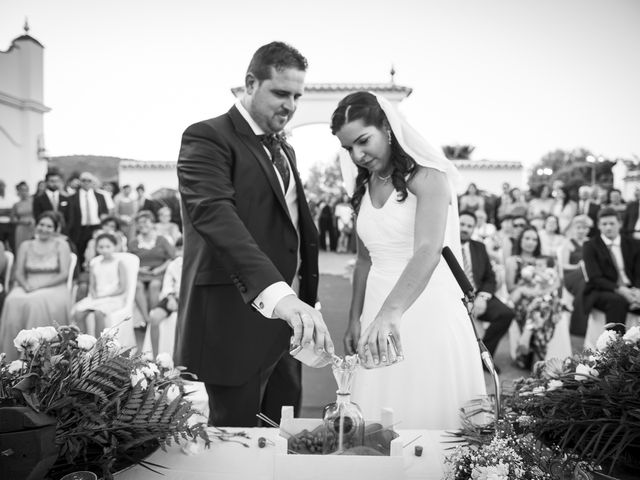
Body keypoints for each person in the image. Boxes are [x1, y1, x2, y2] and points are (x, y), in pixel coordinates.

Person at [176, 41, 332, 427]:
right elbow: (215, 216)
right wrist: (281, 297)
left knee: (282, 434)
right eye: (281, 93)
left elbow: (292, 227)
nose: (291, 105)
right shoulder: (207, 137)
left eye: (297, 95)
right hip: (233, 322)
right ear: (250, 83)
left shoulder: (286, 150)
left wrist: (303, 299)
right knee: (238, 443)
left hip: (287, 324)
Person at [332, 91, 485, 429]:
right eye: (348, 149)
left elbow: (428, 250)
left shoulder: (429, 178)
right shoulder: (363, 187)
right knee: (378, 408)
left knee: (426, 403)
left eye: (363, 141)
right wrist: (355, 317)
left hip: (424, 305)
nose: (357, 155)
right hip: (376, 306)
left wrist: (391, 313)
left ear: (387, 128)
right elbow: (363, 261)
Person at [0, 212, 71, 361]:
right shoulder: (26, 245)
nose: (44, 229)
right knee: (12, 300)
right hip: (28, 283)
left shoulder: (62, 245)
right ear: (36, 225)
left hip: (54, 286)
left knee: (35, 302)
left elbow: (64, 274)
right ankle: (10, 356)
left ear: (56, 229)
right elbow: (18, 272)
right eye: (42, 225)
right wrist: (25, 285)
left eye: (49, 226)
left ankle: (33, 357)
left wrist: (39, 286)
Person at [459, 211, 514, 373]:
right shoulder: (445, 245)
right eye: (462, 224)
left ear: (474, 228)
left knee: (506, 314)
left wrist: (482, 297)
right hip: (454, 299)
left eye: (469, 226)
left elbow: (490, 278)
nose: (465, 228)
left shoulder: (479, 247)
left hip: (478, 296)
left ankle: (484, 356)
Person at [505, 227, 561, 369]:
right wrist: (526, 290)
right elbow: (511, 288)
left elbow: (556, 281)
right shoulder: (512, 261)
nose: (531, 242)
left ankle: (527, 343)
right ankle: (539, 357)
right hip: (523, 298)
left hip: (543, 296)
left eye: (534, 239)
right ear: (520, 240)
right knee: (541, 307)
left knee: (543, 305)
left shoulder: (543, 260)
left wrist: (543, 291)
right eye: (527, 238)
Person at [583, 208, 640, 325]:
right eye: (604, 224)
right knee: (617, 301)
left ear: (620, 224)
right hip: (603, 289)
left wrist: (637, 290)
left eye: (612, 223)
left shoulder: (634, 243)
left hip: (633, 287)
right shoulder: (590, 246)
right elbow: (595, 278)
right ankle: (615, 342)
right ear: (599, 226)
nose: (608, 227)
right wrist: (622, 291)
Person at [71, 232, 127, 335]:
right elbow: (92, 285)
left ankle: (99, 344)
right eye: (101, 247)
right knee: (78, 313)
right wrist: (94, 294)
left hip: (113, 297)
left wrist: (105, 295)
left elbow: (122, 288)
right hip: (97, 297)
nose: (104, 250)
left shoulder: (119, 263)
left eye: (108, 246)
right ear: (96, 248)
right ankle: (84, 341)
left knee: (98, 313)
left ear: (114, 247)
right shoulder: (94, 263)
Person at [128, 210, 175, 327]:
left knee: (154, 285)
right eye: (139, 223)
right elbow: (129, 260)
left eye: (145, 222)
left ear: (152, 223)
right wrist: (139, 269)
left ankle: (154, 314)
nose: (142, 225)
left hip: (157, 272)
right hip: (141, 273)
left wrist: (160, 269)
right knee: (137, 286)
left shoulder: (161, 240)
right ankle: (147, 319)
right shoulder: (134, 242)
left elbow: (171, 257)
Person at [147, 236, 183, 357]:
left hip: (189, 298)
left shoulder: (197, 265)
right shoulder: (173, 264)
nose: (181, 252)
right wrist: (171, 298)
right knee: (154, 317)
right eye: (179, 249)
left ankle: (181, 356)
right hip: (174, 296)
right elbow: (167, 285)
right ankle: (155, 356)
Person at [558, 214, 593, 335]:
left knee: (586, 283)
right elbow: (563, 265)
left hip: (588, 276)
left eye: (584, 228)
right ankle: (578, 328)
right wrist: (578, 266)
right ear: (573, 228)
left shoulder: (591, 242)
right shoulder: (568, 243)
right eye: (578, 227)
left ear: (588, 229)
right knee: (584, 284)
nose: (581, 230)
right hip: (571, 275)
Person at [67, 172, 109, 270]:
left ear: (92, 182)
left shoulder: (100, 196)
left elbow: (104, 213)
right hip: (79, 229)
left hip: (96, 228)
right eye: (83, 180)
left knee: (96, 252)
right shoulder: (72, 198)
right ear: (80, 182)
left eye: (89, 180)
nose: (86, 183)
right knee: (79, 253)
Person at [11, 181, 35, 251]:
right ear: (19, 191)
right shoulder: (16, 204)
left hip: (32, 226)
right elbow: (12, 219)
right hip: (21, 227)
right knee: (21, 247)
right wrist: (21, 221)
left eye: (25, 190)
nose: (24, 192)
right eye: (22, 190)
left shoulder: (34, 202)